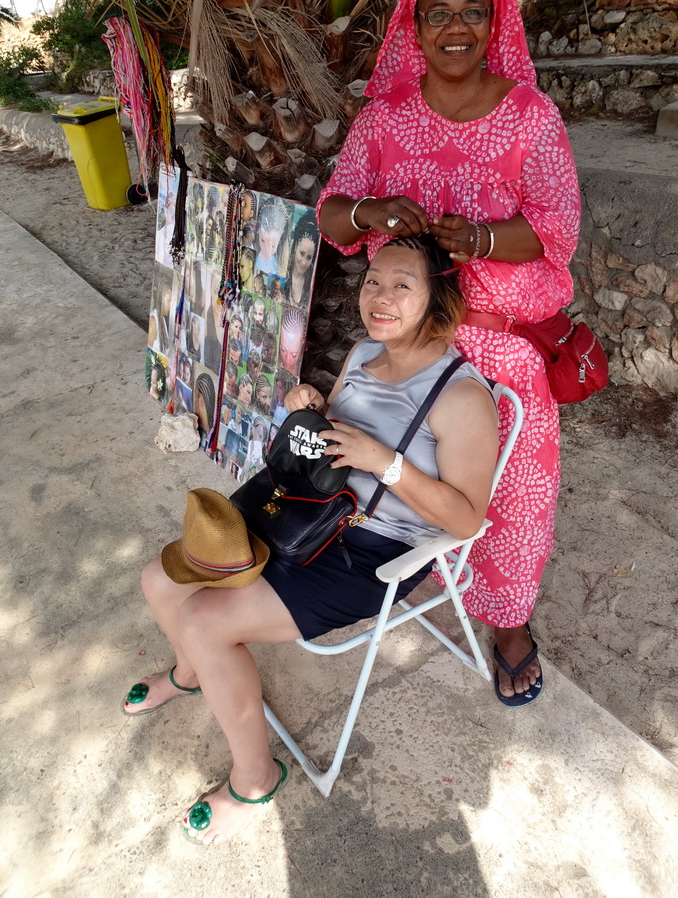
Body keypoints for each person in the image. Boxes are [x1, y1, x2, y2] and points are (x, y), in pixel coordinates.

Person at [121, 235, 498, 845]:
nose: (380, 296)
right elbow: (333, 441)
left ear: (440, 297)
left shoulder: (461, 397)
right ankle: (192, 673)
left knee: (206, 618)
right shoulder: (364, 351)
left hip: (372, 556)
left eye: (403, 285)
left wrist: (386, 463)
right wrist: (309, 407)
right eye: (373, 280)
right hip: (309, 511)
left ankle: (254, 777)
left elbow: (466, 521)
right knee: (159, 578)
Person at [318, 0, 581, 707]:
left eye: (473, 12)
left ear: (495, 22)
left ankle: (507, 626)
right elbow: (333, 211)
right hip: (404, 344)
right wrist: (369, 210)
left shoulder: (531, 117)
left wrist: (484, 239)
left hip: (498, 347)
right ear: (416, 27)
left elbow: (557, 224)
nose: (456, 27)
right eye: (440, 14)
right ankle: (399, 580)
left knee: (510, 499)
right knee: (402, 479)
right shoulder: (385, 118)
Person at [285, 215, 320, 308]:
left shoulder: (312, 286)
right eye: (301, 253)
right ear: (295, 245)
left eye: (309, 258)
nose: (304, 263)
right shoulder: (282, 275)